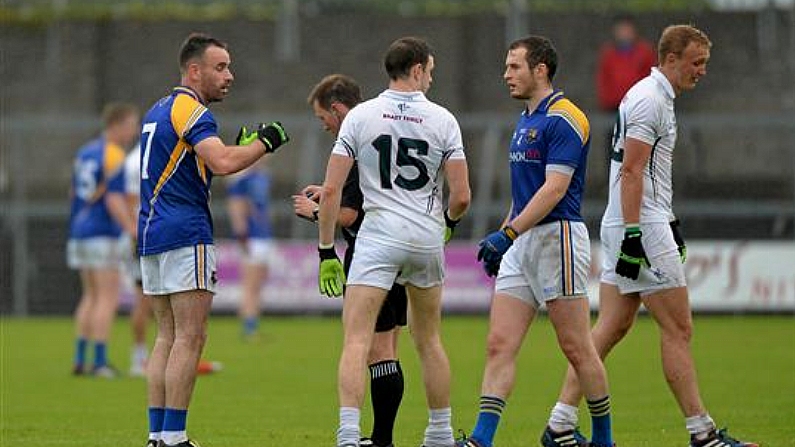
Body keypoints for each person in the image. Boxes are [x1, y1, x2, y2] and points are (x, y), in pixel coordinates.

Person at [542, 25, 758, 447]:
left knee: (609, 328)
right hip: (640, 225)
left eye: (705, 64)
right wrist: (639, 233)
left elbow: (644, 172)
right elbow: (632, 171)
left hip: (632, 221)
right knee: (679, 330)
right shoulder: (649, 100)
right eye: (697, 63)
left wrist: (655, 222)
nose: (702, 71)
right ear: (671, 58)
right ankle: (702, 434)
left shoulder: (651, 95)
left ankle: (559, 424)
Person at [456, 36, 614, 447]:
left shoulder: (566, 118)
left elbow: (554, 190)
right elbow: (524, 195)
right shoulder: (527, 119)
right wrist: (506, 236)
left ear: (540, 69)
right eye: (507, 67)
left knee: (577, 347)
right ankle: (481, 439)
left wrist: (508, 233)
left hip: (557, 236)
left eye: (514, 67)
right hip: (523, 239)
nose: (506, 74)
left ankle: (603, 439)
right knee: (499, 343)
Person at [315, 37, 471, 447]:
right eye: (431, 72)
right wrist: (449, 225)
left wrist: (327, 250)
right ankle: (439, 433)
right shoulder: (443, 119)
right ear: (417, 69)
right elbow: (462, 195)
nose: (431, 79)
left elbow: (331, 191)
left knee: (356, 339)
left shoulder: (361, 117)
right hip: (424, 236)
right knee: (429, 340)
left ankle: (349, 435)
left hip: (379, 236)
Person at [137, 32, 289, 447]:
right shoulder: (192, 111)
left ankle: (157, 435)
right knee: (191, 336)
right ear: (194, 70)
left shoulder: (157, 110)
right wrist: (265, 143)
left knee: (166, 337)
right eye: (220, 67)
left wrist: (239, 149)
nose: (229, 76)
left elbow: (193, 169)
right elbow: (221, 162)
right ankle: (175, 436)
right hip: (186, 233)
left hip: (151, 232)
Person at [294, 73, 412, 447]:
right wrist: (326, 195)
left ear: (337, 108)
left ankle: (359, 438)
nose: (324, 125)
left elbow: (347, 214)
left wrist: (314, 212)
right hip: (404, 246)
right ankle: (382, 439)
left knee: (365, 347)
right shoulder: (383, 133)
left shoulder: (353, 142)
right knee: (388, 349)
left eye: (322, 118)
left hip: (371, 254)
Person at [124, 142, 223, 378]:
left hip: (149, 233)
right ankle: (141, 357)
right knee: (183, 330)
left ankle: (149, 359)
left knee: (166, 332)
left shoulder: (137, 154)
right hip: (165, 232)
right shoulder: (168, 147)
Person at [67, 102, 140, 378]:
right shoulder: (113, 155)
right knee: (107, 298)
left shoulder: (85, 151)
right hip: (102, 233)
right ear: (117, 124)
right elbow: (113, 199)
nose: (133, 132)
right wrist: (131, 228)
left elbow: (73, 192)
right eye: (131, 126)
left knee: (89, 296)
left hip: (79, 231)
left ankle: (79, 357)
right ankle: (99, 362)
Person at [226, 160, 277, 341]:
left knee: (258, 285)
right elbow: (236, 206)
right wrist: (241, 234)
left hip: (264, 235)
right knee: (250, 285)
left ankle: (253, 324)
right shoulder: (242, 179)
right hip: (252, 238)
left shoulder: (263, 177)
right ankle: (248, 327)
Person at [596, 15, 656, 114]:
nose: (624, 33)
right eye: (621, 30)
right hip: (613, 107)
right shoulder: (608, 54)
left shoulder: (645, 52)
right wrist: (606, 101)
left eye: (627, 30)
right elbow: (603, 79)